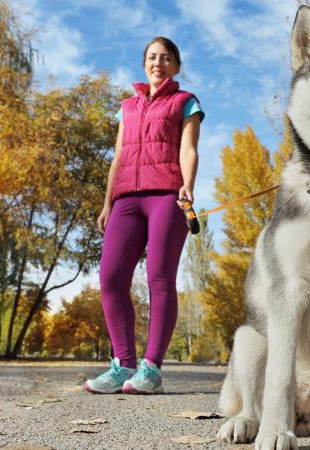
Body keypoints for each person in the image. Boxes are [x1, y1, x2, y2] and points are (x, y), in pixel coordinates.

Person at [83, 36, 203, 394]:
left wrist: (188, 185)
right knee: (110, 277)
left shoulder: (186, 102)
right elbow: (118, 157)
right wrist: (108, 202)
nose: (158, 63)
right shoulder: (127, 107)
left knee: (159, 278)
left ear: (176, 66)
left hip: (167, 194)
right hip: (126, 199)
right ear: (143, 64)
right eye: (152, 57)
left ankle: (151, 369)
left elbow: (189, 148)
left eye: (166, 58)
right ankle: (123, 365)